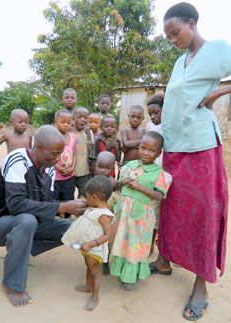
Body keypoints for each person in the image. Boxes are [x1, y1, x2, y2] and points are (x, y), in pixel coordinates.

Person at [149, 2, 231, 321]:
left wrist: (217, 95)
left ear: (192, 23)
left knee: (202, 213)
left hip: (201, 147)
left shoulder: (217, 50)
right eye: (168, 36)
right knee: (171, 207)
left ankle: (201, 284)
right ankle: (165, 260)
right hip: (174, 148)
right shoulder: (180, 61)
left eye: (176, 32)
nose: (173, 40)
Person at [0, 125, 87, 307]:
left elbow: (48, 205)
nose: (58, 158)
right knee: (26, 220)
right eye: (54, 153)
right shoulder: (17, 159)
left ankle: (23, 247)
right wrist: (63, 206)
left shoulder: (50, 169)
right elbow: (15, 205)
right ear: (38, 148)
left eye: (60, 153)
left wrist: (73, 208)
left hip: (30, 224)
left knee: (73, 228)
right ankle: (12, 285)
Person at [110, 132, 172, 291]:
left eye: (151, 150)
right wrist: (122, 182)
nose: (145, 152)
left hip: (141, 218)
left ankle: (131, 276)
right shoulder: (128, 167)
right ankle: (120, 269)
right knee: (122, 242)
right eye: (143, 148)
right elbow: (116, 186)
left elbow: (159, 195)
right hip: (123, 213)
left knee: (135, 245)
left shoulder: (159, 173)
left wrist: (140, 187)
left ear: (159, 153)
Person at [61, 175, 114, 311]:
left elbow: (108, 235)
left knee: (95, 272)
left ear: (95, 197)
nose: (86, 199)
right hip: (87, 246)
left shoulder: (103, 215)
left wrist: (91, 244)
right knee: (88, 267)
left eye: (88, 196)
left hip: (93, 248)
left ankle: (95, 297)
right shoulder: (94, 207)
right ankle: (88, 286)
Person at [94, 151, 121, 275]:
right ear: (95, 165)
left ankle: (105, 262)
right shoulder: (93, 181)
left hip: (108, 219)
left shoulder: (114, 183)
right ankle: (94, 261)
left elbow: (116, 201)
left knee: (107, 241)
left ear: (112, 168)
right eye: (100, 167)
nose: (103, 171)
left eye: (107, 168)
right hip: (95, 219)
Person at [146, 95, 164, 253]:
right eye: (150, 113)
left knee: (162, 212)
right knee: (152, 210)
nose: (152, 116)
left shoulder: (169, 126)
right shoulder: (149, 126)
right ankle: (150, 244)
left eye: (156, 112)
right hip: (152, 173)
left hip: (165, 174)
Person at [54, 109, 77, 218]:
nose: (66, 125)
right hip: (55, 177)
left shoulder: (73, 137)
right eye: (62, 122)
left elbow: (75, 154)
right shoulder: (52, 138)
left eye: (68, 123)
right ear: (55, 122)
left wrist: (72, 167)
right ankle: (55, 220)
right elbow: (49, 155)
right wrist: (57, 167)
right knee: (54, 200)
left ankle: (66, 221)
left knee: (68, 199)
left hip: (69, 177)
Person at [72, 107, 94, 197]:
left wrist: (88, 134)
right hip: (70, 172)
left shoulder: (89, 133)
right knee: (69, 195)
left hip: (84, 172)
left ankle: (81, 211)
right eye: (79, 117)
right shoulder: (69, 132)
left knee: (84, 195)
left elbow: (91, 151)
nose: (82, 120)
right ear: (73, 118)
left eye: (85, 118)